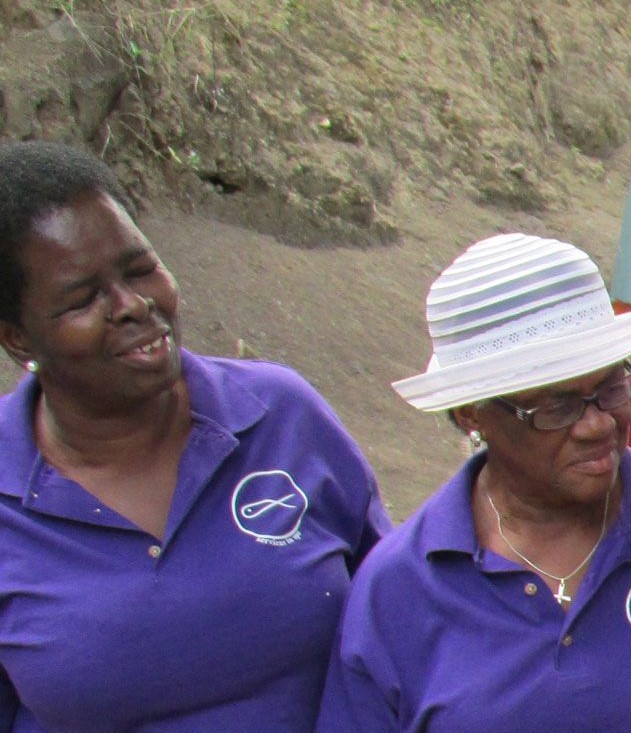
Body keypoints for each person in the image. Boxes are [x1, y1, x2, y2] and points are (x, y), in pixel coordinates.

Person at [0, 140, 390, 730]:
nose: (133, 305)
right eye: (83, 299)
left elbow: (399, 618)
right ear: (17, 338)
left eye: (141, 269)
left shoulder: (280, 416)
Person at [317, 234, 631, 730]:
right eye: (556, 407)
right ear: (472, 414)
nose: (597, 424)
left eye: (610, 388)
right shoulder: (400, 588)